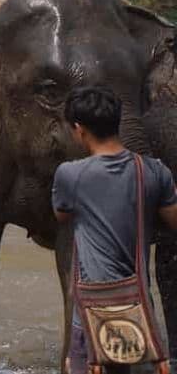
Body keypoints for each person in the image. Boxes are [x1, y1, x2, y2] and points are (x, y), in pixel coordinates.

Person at [51, 86, 177, 374]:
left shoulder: (69, 175)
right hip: (134, 305)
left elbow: (61, 214)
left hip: (88, 310)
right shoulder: (153, 171)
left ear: (79, 130)